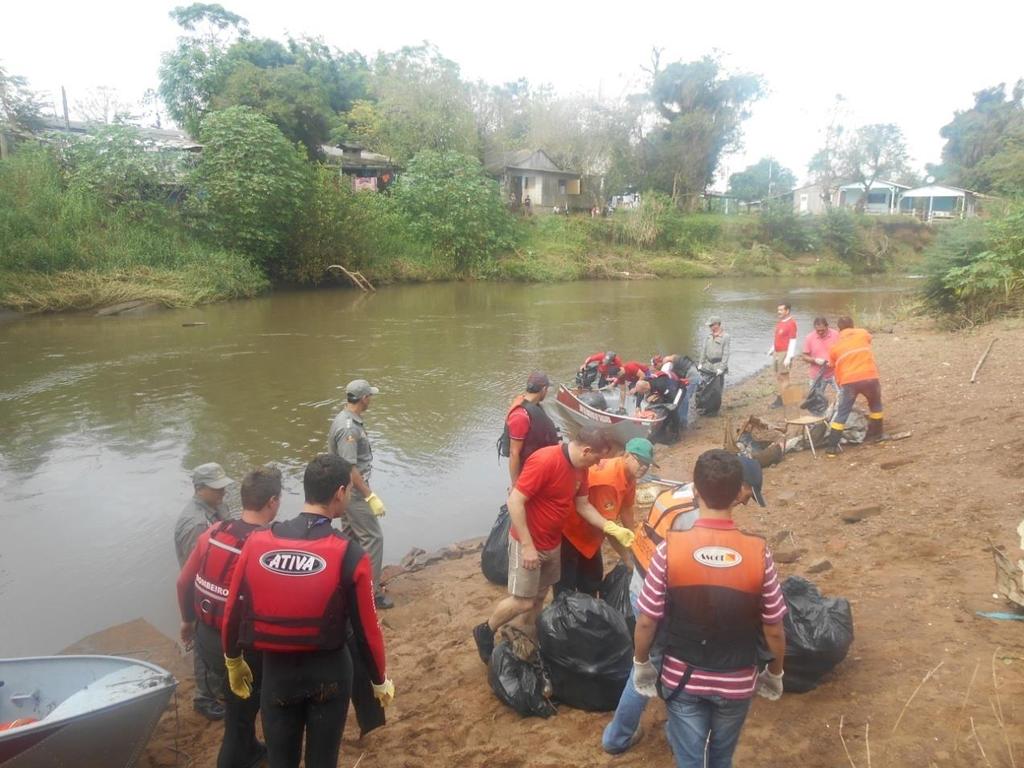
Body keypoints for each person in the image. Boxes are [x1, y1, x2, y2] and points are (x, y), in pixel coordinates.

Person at [221, 454, 394, 768]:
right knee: (322, 761)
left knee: (280, 761)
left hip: (277, 674)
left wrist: (233, 660)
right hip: (330, 674)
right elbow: (368, 629)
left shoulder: (258, 542)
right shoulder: (350, 553)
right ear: (340, 493)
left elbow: (233, 609)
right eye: (349, 493)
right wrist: (379, 679)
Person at [629, 450, 785, 767]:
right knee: (721, 757)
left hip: (683, 676)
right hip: (737, 679)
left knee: (690, 758)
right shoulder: (759, 553)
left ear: (696, 491)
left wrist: (642, 662)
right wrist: (776, 672)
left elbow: (647, 621)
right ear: (738, 495)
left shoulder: (669, 549)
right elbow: (773, 626)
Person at [472, 426, 633, 662]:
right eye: (597, 459)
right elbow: (515, 501)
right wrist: (527, 546)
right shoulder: (545, 460)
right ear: (587, 450)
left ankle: (526, 636)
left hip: (552, 542)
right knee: (523, 600)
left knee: (539, 597)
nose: (598, 464)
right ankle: (486, 629)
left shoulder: (581, 469)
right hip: (528, 542)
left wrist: (610, 527)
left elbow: (583, 505)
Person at [177, 466, 282, 768]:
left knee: (237, 705)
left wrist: (186, 621)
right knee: (240, 715)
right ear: (273, 502)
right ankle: (239, 755)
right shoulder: (269, 543)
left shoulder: (214, 531)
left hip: (207, 638)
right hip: (240, 646)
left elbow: (184, 582)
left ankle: (249, 746)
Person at [555, 438, 654, 597]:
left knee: (592, 579)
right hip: (571, 529)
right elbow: (608, 527)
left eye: (647, 464)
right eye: (640, 461)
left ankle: (588, 609)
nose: (643, 467)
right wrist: (627, 559)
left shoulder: (630, 474)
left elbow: (626, 509)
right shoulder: (609, 482)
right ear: (627, 455)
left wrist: (634, 542)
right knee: (566, 585)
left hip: (592, 530)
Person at [174, 462, 235, 720]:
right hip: (204, 591)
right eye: (216, 488)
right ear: (199, 489)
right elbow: (192, 573)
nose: (223, 493)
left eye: (223, 487)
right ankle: (203, 697)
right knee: (203, 643)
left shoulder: (217, 507)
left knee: (215, 644)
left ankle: (219, 685)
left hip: (219, 587)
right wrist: (187, 618)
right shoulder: (196, 524)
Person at [327, 379, 392, 609]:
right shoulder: (349, 428)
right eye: (370, 396)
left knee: (351, 537)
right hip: (353, 491)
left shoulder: (346, 419)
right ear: (364, 398)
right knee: (373, 538)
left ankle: (350, 584)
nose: (371, 399)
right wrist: (369, 496)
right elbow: (349, 467)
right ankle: (371, 594)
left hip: (345, 490)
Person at [824, 316, 885, 456]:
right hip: (870, 377)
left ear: (839, 329)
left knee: (842, 413)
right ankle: (878, 437)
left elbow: (832, 364)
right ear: (853, 325)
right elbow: (869, 339)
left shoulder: (834, 347)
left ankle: (831, 448)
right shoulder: (863, 333)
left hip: (849, 381)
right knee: (876, 406)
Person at [502, 371, 560, 485]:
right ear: (543, 389)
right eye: (547, 390)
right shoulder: (520, 415)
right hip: (529, 471)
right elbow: (514, 453)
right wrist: (515, 484)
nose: (547, 393)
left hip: (540, 466)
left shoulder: (535, 406)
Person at [633, 371, 682, 444]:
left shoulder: (660, 385)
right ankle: (662, 432)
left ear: (645, 389)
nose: (644, 394)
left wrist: (659, 397)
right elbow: (640, 394)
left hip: (677, 390)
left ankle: (676, 433)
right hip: (665, 391)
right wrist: (637, 406)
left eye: (644, 392)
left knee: (672, 409)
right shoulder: (646, 381)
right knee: (656, 406)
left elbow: (671, 397)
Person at [800, 316, 840, 396]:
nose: (820, 332)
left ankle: (838, 407)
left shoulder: (836, 335)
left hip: (835, 373)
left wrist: (835, 361)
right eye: (818, 331)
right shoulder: (809, 337)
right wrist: (815, 360)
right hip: (817, 374)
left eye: (823, 330)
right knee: (815, 398)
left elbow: (842, 352)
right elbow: (804, 356)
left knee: (843, 394)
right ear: (815, 328)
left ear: (827, 326)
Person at [769, 303, 798, 407]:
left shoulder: (791, 323)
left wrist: (789, 357)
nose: (779, 312)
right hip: (777, 353)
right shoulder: (780, 322)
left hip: (785, 353)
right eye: (778, 310)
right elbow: (778, 337)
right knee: (779, 377)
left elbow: (793, 340)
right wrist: (772, 348)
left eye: (781, 310)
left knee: (784, 377)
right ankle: (788, 398)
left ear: (787, 311)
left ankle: (781, 400)